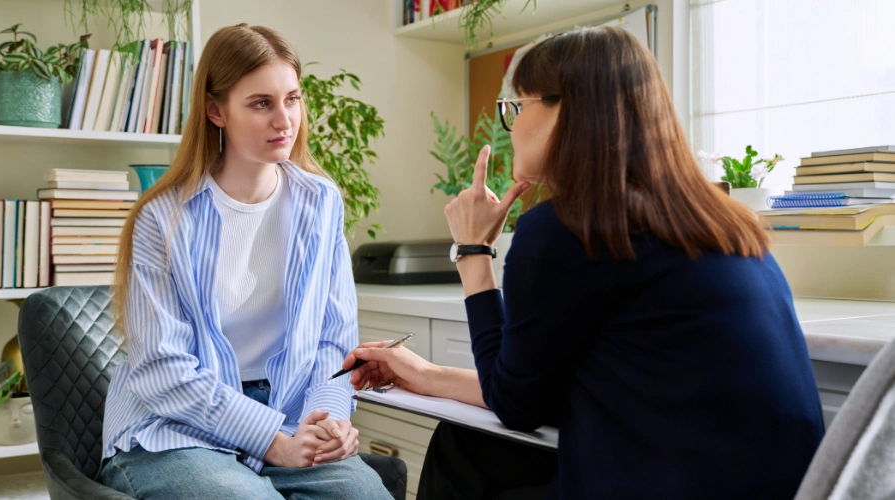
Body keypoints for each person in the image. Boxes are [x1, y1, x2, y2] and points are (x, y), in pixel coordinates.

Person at [344, 25, 825, 499]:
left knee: (463, 453)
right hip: (775, 483)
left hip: (676, 481)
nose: (512, 124)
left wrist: (473, 251)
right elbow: (541, 392)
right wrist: (428, 377)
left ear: (568, 111)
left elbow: (515, 405)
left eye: (519, 104)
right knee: (469, 444)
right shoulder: (720, 222)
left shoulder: (567, 230)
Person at [97, 24, 391, 499]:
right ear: (216, 110)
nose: (285, 120)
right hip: (176, 427)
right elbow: (162, 370)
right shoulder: (164, 219)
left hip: (292, 415)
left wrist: (331, 420)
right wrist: (271, 440)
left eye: (292, 99)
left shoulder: (321, 203)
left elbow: (333, 342)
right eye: (262, 103)